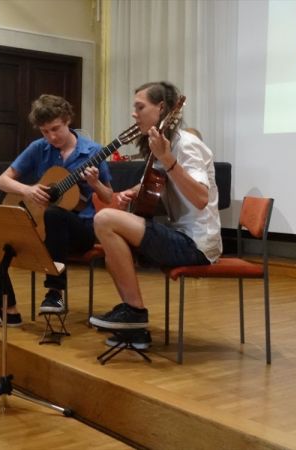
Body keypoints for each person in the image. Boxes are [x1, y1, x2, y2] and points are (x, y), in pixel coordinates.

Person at [89, 81, 222, 349]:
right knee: (113, 245)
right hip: (179, 235)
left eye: (140, 107)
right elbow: (157, 184)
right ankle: (135, 328)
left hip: (196, 245)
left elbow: (200, 198)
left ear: (161, 108)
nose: (134, 113)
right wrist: (131, 192)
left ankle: (135, 314)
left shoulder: (187, 145)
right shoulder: (163, 144)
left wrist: (169, 160)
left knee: (104, 220)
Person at [0, 94, 113, 327]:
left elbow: (108, 196)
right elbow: (1, 181)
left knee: (55, 214)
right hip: (42, 230)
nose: (51, 137)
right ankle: (8, 310)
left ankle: (55, 293)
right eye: (45, 131)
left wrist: (95, 183)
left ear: (67, 119)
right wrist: (28, 190)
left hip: (81, 231)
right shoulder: (39, 148)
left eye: (55, 129)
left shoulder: (93, 152)